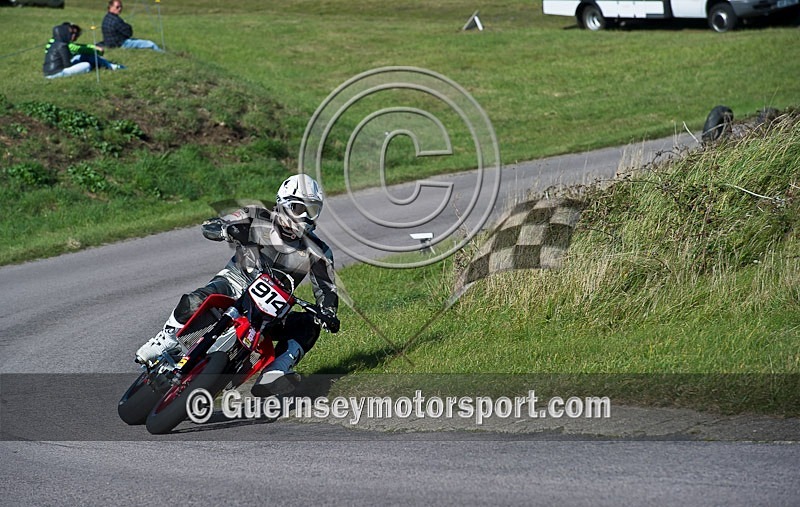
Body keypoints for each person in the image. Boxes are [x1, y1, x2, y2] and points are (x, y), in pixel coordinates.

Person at [134, 174, 340, 396]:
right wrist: (226, 230)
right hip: (233, 284)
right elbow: (211, 225)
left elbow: (327, 289)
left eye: (312, 210)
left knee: (309, 324)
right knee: (195, 300)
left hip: (271, 313)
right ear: (283, 203)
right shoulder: (256, 215)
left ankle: (276, 371)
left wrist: (328, 312)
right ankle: (166, 340)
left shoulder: (319, 251)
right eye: (299, 208)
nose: (305, 216)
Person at [45, 23, 126, 72]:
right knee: (86, 57)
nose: (74, 37)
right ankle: (111, 66)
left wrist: (93, 46)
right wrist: (96, 51)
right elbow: (78, 48)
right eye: (72, 33)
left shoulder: (55, 40)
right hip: (62, 68)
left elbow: (78, 46)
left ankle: (104, 65)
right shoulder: (62, 44)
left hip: (59, 66)